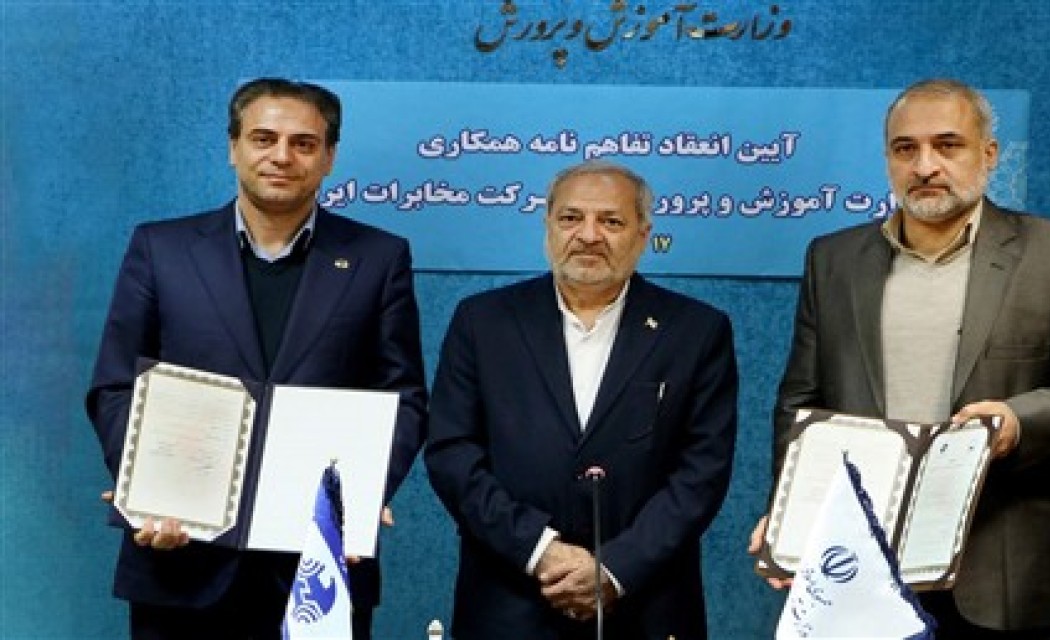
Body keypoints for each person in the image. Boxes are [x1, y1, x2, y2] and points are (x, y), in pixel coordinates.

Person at [749, 78, 1050, 639]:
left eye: (948, 145)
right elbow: (801, 402)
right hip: (859, 564)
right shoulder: (834, 260)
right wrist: (790, 518)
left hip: (1001, 568)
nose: (925, 165)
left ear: (989, 154)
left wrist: (1017, 420)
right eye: (905, 148)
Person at [85, 77, 428, 639]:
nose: (281, 156)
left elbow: (403, 398)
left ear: (329, 157)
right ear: (233, 147)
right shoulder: (160, 248)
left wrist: (363, 496)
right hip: (179, 563)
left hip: (319, 565)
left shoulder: (378, 258)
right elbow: (116, 385)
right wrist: (149, 490)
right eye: (263, 138)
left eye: (303, 143)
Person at [424, 160, 738, 640]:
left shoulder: (696, 331)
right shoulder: (483, 322)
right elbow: (453, 454)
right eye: (571, 218)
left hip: (645, 606)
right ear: (548, 226)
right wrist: (540, 551)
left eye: (611, 221)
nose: (589, 235)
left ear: (643, 234)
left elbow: (702, 472)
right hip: (510, 602)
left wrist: (614, 568)